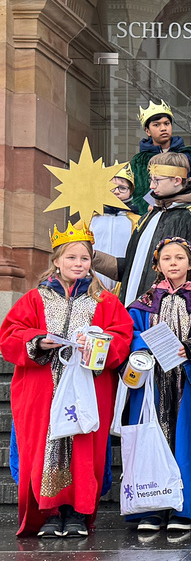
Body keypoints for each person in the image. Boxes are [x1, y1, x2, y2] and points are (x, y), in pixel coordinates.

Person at [0, 221, 133, 537]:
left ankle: (78, 513)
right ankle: (49, 512)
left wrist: (100, 343)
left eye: (84, 258)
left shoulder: (105, 301)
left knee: (84, 446)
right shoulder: (35, 299)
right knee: (46, 447)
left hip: (88, 388)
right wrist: (38, 340)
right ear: (56, 261)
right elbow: (10, 335)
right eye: (71, 258)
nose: (78, 264)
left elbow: (123, 335)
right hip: (42, 389)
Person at [125, 237, 191, 533]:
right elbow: (129, 334)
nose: (173, 263)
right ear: (158, 265)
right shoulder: (143, 303)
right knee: (151, 441)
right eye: (166, 259)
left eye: (179, 258)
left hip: (189, 383)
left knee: (189, 444)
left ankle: (184, 510)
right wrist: (145, 345)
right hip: (152, 385)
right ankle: (150, 507)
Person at [94, 152, 191, 306]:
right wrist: (93, 256)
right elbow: (132, 269)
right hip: (136, 316)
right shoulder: (149, 217)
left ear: (177, 180)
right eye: (151, 179)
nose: (151, 186)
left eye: (157, 180)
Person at [129, 99, 191, 211]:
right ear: (148, 131)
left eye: (166, 123)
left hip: (184, 211)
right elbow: (137, 194)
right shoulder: (139, 161)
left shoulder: (189, 155)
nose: (163, 128)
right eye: (156, 125)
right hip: (152, 213)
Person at [89, 162, 140, 292]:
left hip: (124, 284)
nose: (117, 191)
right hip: (92, 283)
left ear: (130, 191)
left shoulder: (137, 221)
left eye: (122, 188)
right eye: (111, 187)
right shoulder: (89, 219)